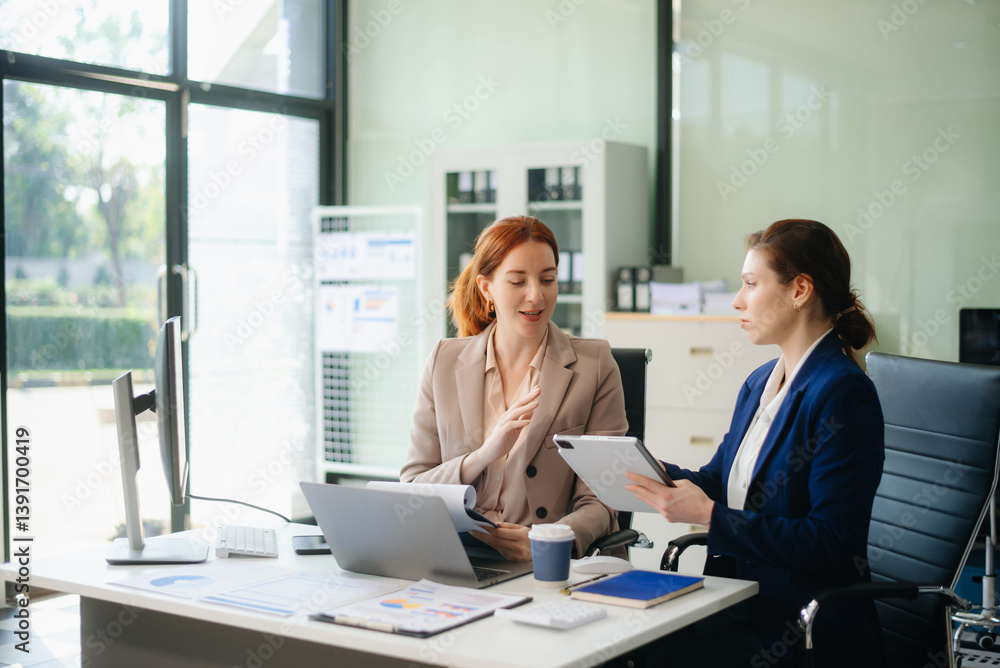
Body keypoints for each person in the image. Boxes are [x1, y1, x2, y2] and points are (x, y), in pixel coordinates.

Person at [624, 219, 885, 668]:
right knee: (624, 640)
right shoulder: (760, 382)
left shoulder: (842, 392)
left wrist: (710, 517)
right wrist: (646, 469)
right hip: (740, 599)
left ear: (799, 290)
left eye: (750, 284)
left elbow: (831, 542)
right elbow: (720, 481)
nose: (737, 300)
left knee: (638, 654)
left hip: (794, 623)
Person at [401, 215, 628, 561]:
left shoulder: (594, 365)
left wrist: (547, 542)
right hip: (457, 558)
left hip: (546, 565)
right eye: (518, 281)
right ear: (486, 288)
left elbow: (601, 499)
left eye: (548, 279)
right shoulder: (443, 361)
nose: (536, 296)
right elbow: (413, 488)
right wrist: (481, 456)